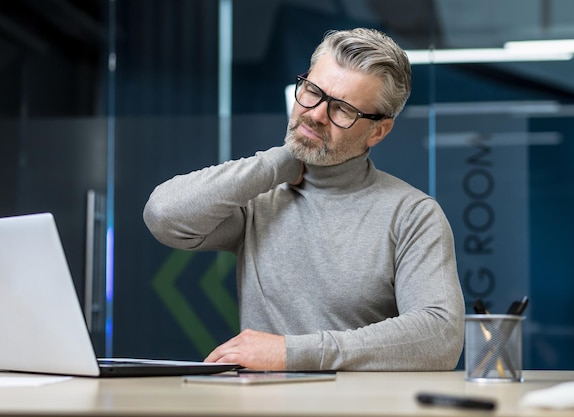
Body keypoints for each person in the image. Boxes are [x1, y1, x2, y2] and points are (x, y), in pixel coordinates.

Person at [143, 28, 464, 371]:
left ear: (378, 131)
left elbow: (440, 335)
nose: (315, 114)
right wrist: (278, 162)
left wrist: (292, 352)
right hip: (263, 405)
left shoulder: (412, 215)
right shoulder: (259, 197)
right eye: (312, 91)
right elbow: (164, 216)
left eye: (341, 109)